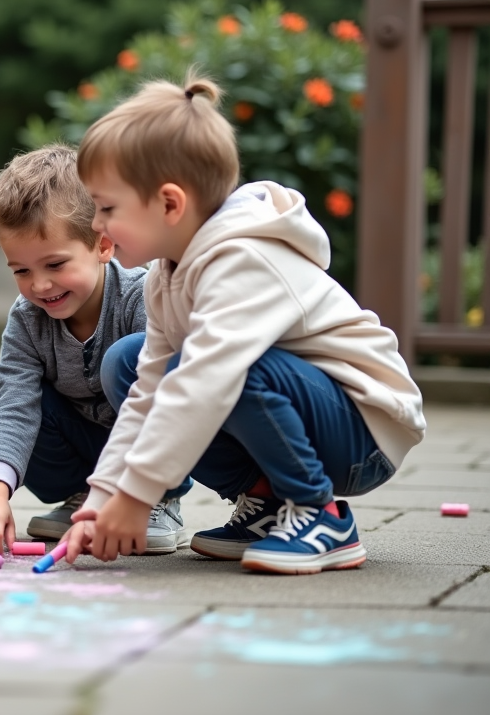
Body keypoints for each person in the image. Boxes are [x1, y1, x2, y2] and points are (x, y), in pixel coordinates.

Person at [65, 74, 426, 574]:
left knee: (223, 370)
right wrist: (105, 497)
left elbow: (205, 382)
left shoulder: (243, 259)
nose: (96, 224)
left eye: (107, 208)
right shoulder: (164, 276)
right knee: (132, 362)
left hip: (364, 432)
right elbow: (148, 394)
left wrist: (138, 495)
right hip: (312, 416)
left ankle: (321, 514)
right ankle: (269, 506)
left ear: (169, 203)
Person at [0, 145, 190, 560]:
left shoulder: (141, 297)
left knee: (126, 358)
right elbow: (14, 406)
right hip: (79, 453)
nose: (40, 285)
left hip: (149, 451)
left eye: (55, 265)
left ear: (103, 246)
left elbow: (169, 401)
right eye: (22, 270)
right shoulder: (28, 319)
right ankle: (84, 496)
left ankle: (155, 499)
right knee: (3, 388)